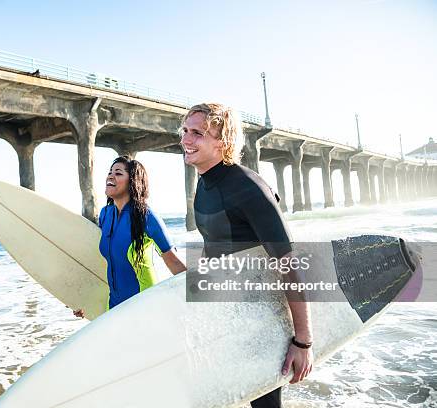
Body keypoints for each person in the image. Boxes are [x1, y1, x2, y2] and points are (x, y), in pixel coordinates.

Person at [180, 103, 313, 408]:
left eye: (198, 133)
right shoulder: (204, 183)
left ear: (222, 141)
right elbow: (215, 243)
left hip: (260, 321)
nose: (186, 139)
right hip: (227, 317)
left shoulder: (249, 188)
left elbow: (290, 265)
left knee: (265, 405)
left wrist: (302, 340)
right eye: (185, 131)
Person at [74, 156, 186, 317]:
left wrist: (199, 300)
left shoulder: (145, 216)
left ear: (132, 181)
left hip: (144, 304)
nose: (110, 176)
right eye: (110, 172)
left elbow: (174, 262)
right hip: (113, 307)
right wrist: (85, 302)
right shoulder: (106, 215)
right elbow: (102, 264)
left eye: (118, 173)